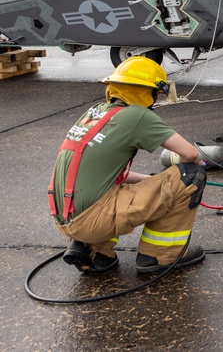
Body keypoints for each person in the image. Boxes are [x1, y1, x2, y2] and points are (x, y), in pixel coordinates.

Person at [49, 56, 207, 275]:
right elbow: (190, 154)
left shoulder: (94, 114)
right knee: (190, 175)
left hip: (64, 218)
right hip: (92, 221)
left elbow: (112, 176)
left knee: (119, 189)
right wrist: (174, 180)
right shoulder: (137, 115)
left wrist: (153, 181)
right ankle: (159, 256)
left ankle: (96, 252)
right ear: (147, 93)